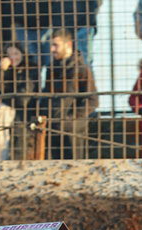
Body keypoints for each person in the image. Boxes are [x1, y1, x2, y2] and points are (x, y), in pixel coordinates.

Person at [38, 28, 98, 159]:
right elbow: (47, 96)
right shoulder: (51, 68)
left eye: (56, 45)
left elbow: (92, 100)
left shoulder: (82, 68)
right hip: (51, 129)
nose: (52, 49)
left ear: (68, 44)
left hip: (72, 131)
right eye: (52, 45)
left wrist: (70, 120)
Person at [0, 43, 40, 160]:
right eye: (9, 55)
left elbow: (23, 98)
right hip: (5, 113)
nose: (12, 58)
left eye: (16, 53)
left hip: (23, 115)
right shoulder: (4, 70)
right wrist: (0, 71)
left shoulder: (30, 68)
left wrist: (4, 99)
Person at [51, 1, 102, 66]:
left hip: (82, 27)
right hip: (62, 27)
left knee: (84, 61)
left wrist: (87, 22)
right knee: (61, 60)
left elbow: (95, 3)